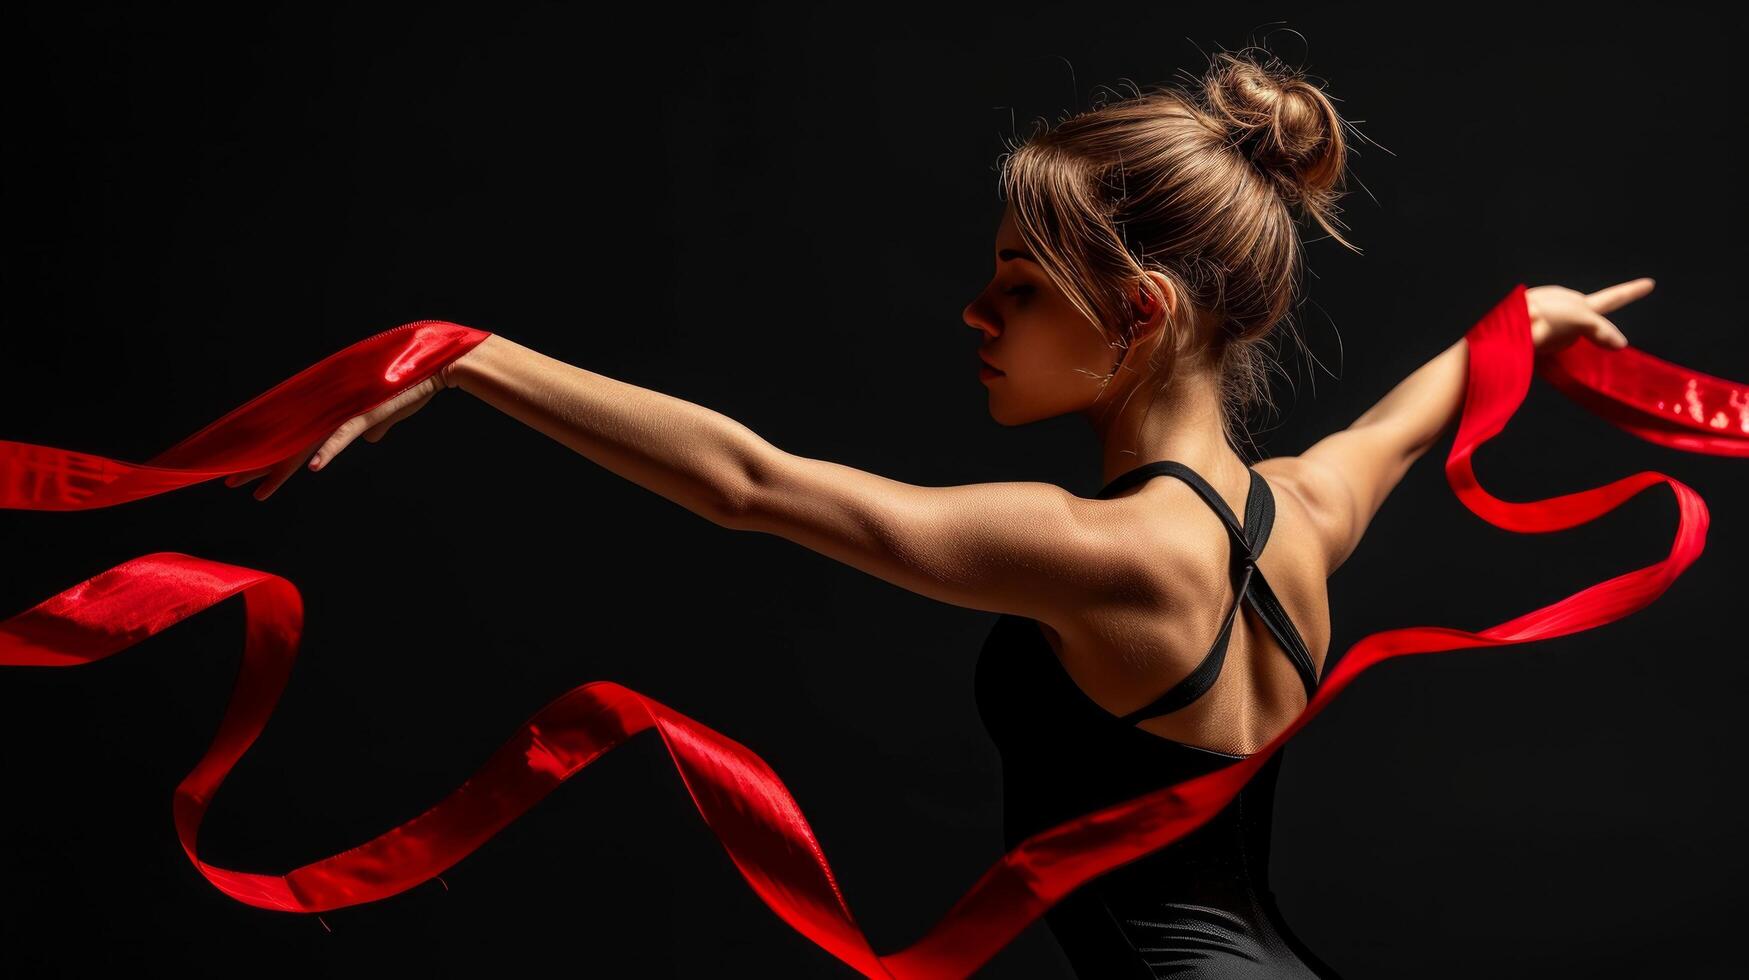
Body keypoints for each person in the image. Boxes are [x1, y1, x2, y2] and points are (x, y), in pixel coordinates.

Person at [220, 46, 1646, 979]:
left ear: (1135, 312)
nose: (975, 316)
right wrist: (1523, 323)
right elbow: (1401, 424)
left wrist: (474, 357)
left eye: (1018, 284)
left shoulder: (1112, 554)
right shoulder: (1298, 514)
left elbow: (753, 485)